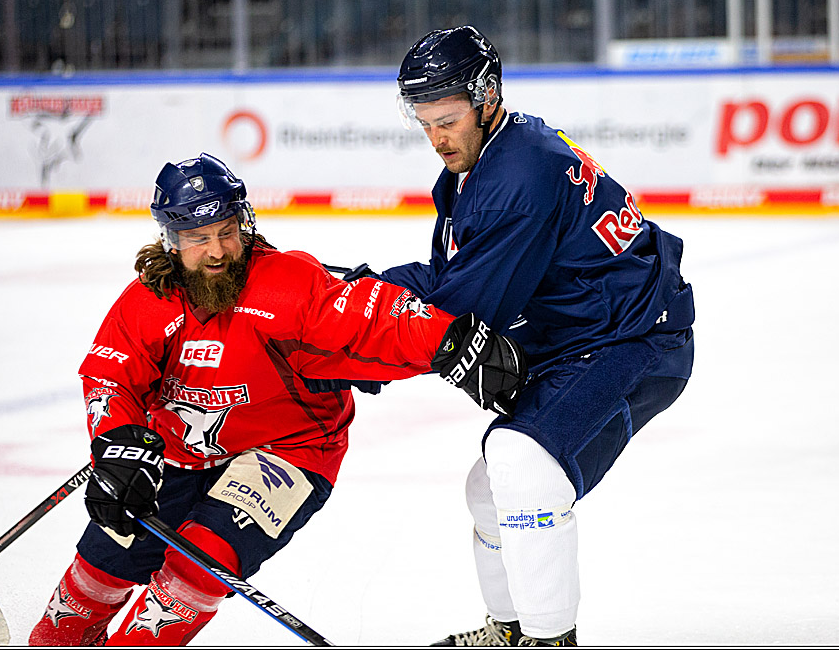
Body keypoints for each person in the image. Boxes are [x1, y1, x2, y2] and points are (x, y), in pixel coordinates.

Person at [28, 152, 526, 646]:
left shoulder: (287, 285)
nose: (218, 250)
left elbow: (373, 318)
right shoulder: (148, 300)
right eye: (199, 239)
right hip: (180, 450)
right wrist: (117, 447)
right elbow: (111, 377)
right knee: (100, 568)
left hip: (288, 451)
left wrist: (453, 341)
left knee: (199, 564)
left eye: (226, 231)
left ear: (244, 224)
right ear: (171, 240)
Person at [345, 26, 695, 646]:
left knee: (520, 461)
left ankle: (548, 638)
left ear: (486, 97)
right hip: (586, 334)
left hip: (635, 338)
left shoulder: (519, 177)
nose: (435, 139)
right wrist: (358, 288)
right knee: (491, 492)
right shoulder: (486, 159)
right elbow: (453, 277)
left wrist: (341, 352)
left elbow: (455, 316)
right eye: (423, 123)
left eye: (446, 120)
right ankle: (508, 630)